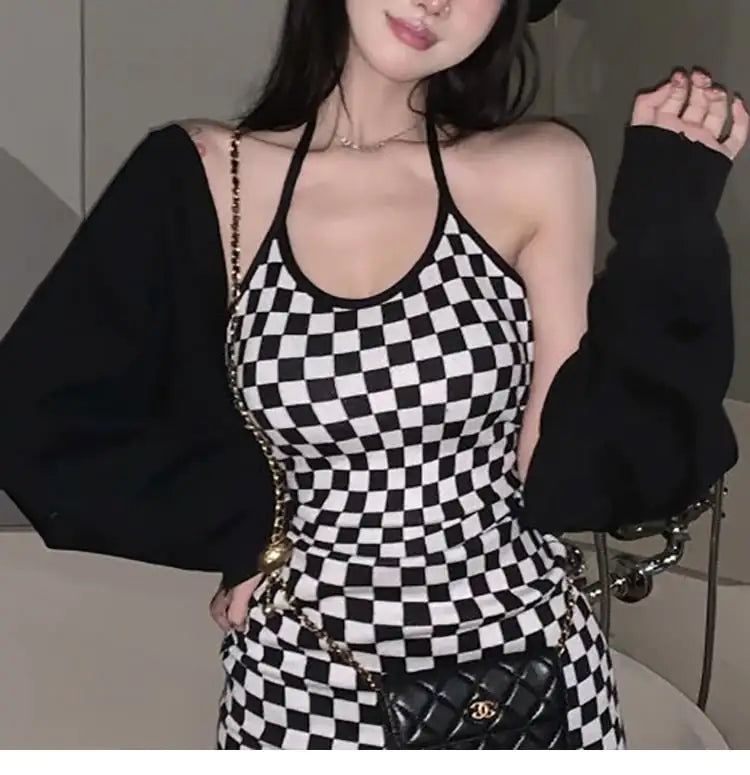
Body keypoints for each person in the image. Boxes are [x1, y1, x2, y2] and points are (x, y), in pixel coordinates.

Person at [0, 0, 745, 752]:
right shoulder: (210, 176)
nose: (436, 1)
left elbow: (568, 473)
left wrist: (669, 220)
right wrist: (245, 528)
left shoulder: (538, 167)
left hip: (530, 669)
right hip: (303, 683)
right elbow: (38, 416)